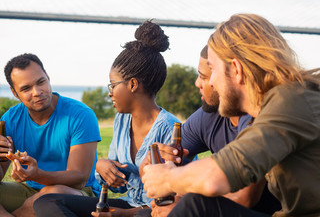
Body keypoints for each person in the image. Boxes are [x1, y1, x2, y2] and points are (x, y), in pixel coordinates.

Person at [142, 14, 320, 217]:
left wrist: (168, 178)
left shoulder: (290, 100)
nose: (210, 83)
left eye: (212, 70)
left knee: (196, 207)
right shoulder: (277, 105)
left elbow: (224, 172)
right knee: (198, 205)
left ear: (236, 69)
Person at [33, 20, 180, 217]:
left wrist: (123, 215)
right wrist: (103, 168)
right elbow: (119, 187)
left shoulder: (170, 129)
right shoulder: (122, 120)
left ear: (133, 84)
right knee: (47, 202)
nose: (110, 93)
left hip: (152, 213)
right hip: (128, 203)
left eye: (113, 85)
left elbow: (178, 201)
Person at [141, 45, 280, 217]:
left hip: (268, 212)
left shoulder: (258, 115)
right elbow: (155, 171)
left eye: (205, 75)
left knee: (194, 205)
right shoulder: (208, 116)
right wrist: (155, 162)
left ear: (235, 73)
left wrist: (176, 192)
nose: (198, 83)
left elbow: (244, 196)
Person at [0, 54, 101, 217]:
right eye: (26, 88)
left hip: (78, 194)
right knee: (42, 197)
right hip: (30, 190)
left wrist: (37, 174)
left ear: (47, 76)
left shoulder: (81, 115)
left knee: (50, 195)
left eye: (41, 82)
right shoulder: (10, 119)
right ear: (14, 92)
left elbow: (79, 178)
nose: (37, 92)